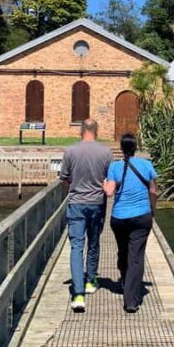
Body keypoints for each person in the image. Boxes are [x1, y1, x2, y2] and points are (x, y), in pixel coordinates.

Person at [59, 119, 113, 313]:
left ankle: (78, 294)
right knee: (94, 242)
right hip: (97, 204)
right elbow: (110, 178)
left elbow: (64, 178)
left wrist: (71, 191)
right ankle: (91, 280)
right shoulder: (106, 152)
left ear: (81, 131)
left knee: (76, 246)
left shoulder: (71, 151)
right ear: (96, 131)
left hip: (76, 203)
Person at [104, 133, 157, 313]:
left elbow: (109, 192)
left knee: (124, 252)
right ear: (135, 148)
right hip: (142, 216)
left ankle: (126, 283)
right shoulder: (147, 165)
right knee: (136, 257)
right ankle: (131, 300)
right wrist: (152, 210)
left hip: (119, 217)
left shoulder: (115, 167)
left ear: (121, 148)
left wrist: (104, 183)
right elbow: (153, 191)